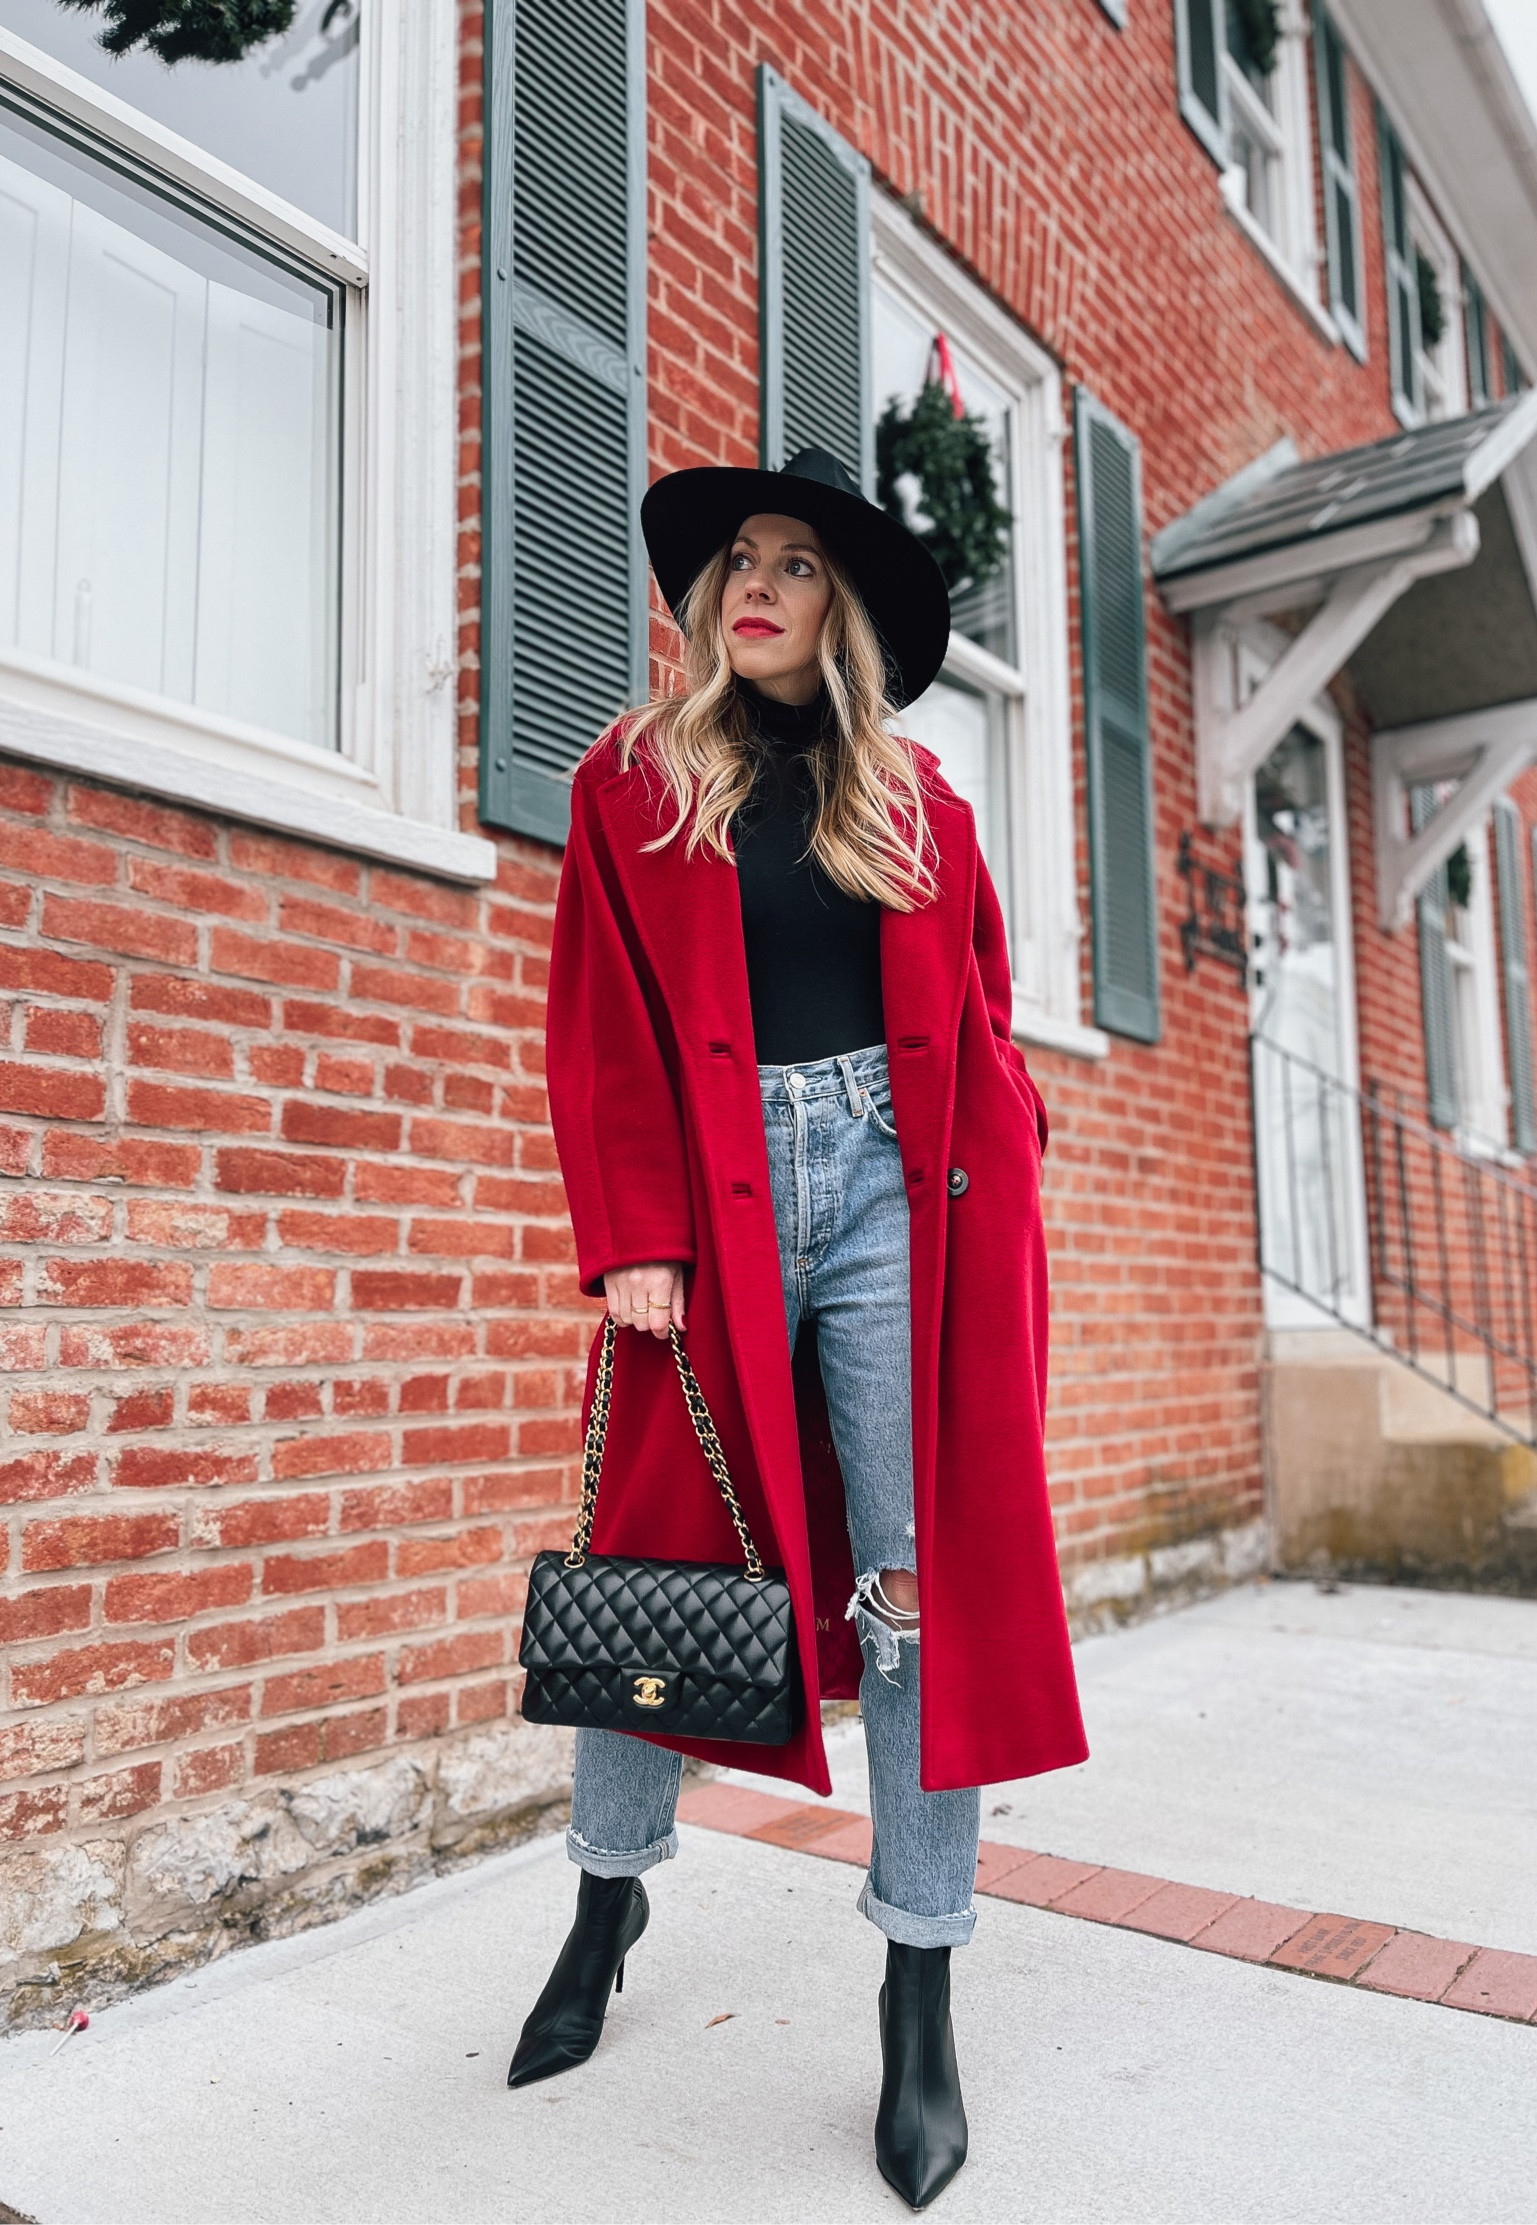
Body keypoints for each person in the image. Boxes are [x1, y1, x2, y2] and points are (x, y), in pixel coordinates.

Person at [510, 446, 1087, 2210]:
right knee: (661, 1554)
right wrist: (633, 1234)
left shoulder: (925, 809)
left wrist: (1001, 1153)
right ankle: (604, 1905)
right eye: (735, 561)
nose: (754, 584)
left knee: (916, 1585)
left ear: (840, 607)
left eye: (795, 564)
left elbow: (979, 1018)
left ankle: (919, 1984)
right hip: (714, 1185)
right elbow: (597, 1019)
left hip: (905, 1202)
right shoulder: (634, 780)